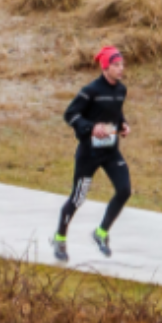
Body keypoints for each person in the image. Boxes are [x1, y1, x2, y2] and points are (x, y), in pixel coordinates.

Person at [53, 46, 132, 262]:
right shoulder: (91, 90)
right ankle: (59, 238)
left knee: (124, 190)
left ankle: (101, 233)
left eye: (122, 65)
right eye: (116, 65)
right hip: (89, 154)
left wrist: (123, 125)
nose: (120, 69)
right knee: (78, 198)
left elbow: (116, 113)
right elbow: (70, 114)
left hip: (111, 152)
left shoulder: (121, 90)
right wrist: (90, 127)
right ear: (105, 66)